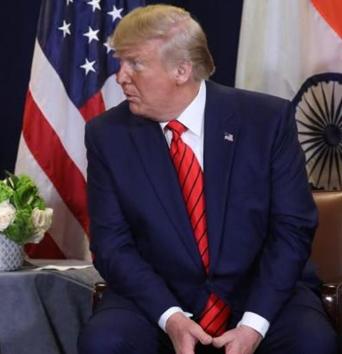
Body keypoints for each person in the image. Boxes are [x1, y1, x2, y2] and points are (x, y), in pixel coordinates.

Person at [79, 4, 337, 354]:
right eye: (120, 63)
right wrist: (169, 316)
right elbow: (111, 245)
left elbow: (292, 228)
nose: (121, 77)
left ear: (182, 70)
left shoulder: (266, 121)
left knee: (312, 343)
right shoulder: (107, 135)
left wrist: (252, 326)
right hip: (158, 295)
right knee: (105, 342)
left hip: (259, 292)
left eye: (135, 63)